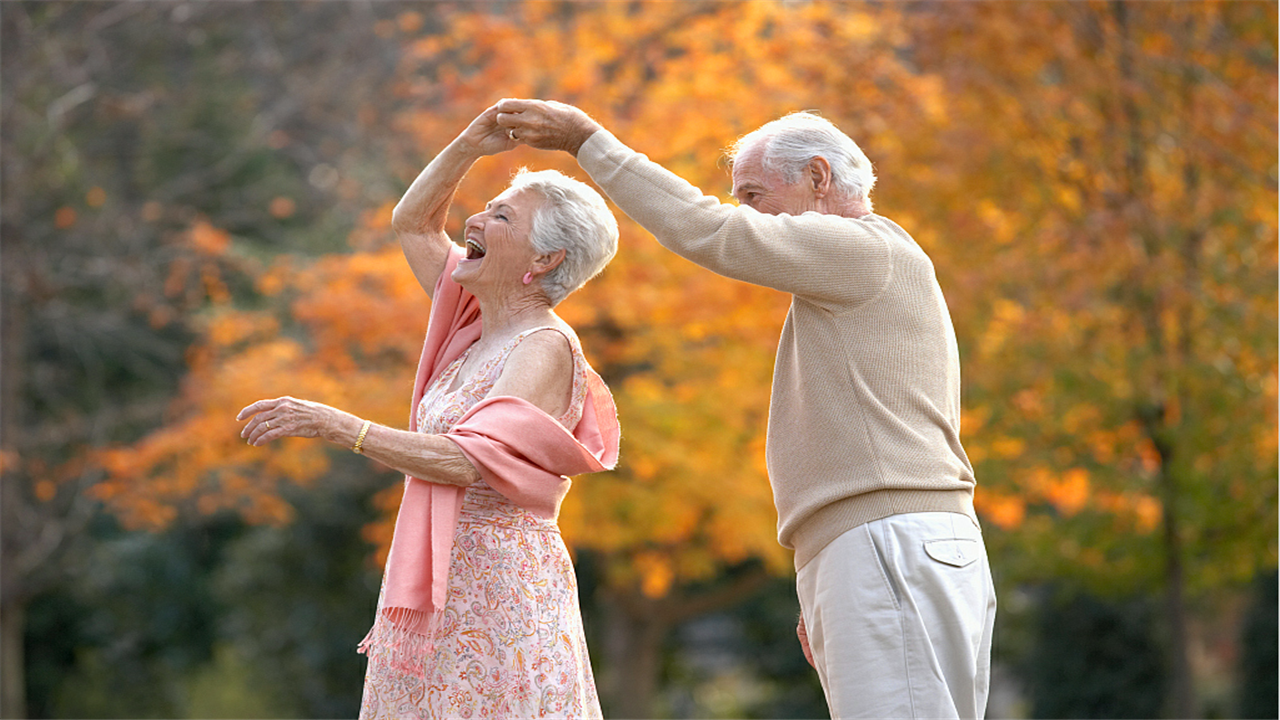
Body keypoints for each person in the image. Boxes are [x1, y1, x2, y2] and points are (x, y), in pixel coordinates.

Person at [497, 99, 996, 720]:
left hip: (885, 542)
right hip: (881, 542)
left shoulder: (865, 250)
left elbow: (710, 231)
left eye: (754, 195)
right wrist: (827, 573)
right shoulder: (861, 271)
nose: (745, 214)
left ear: (818, 177)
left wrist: (589, 142)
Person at [237, 103, 620, 719]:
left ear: (543, 261)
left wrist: (340, 426)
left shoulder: (546, 345)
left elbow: (468, 461)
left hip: (500, 593)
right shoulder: (470, 323)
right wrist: (473, 141)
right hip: (445, 592)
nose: (476, 217)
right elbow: (413, 222)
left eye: (501, 216)